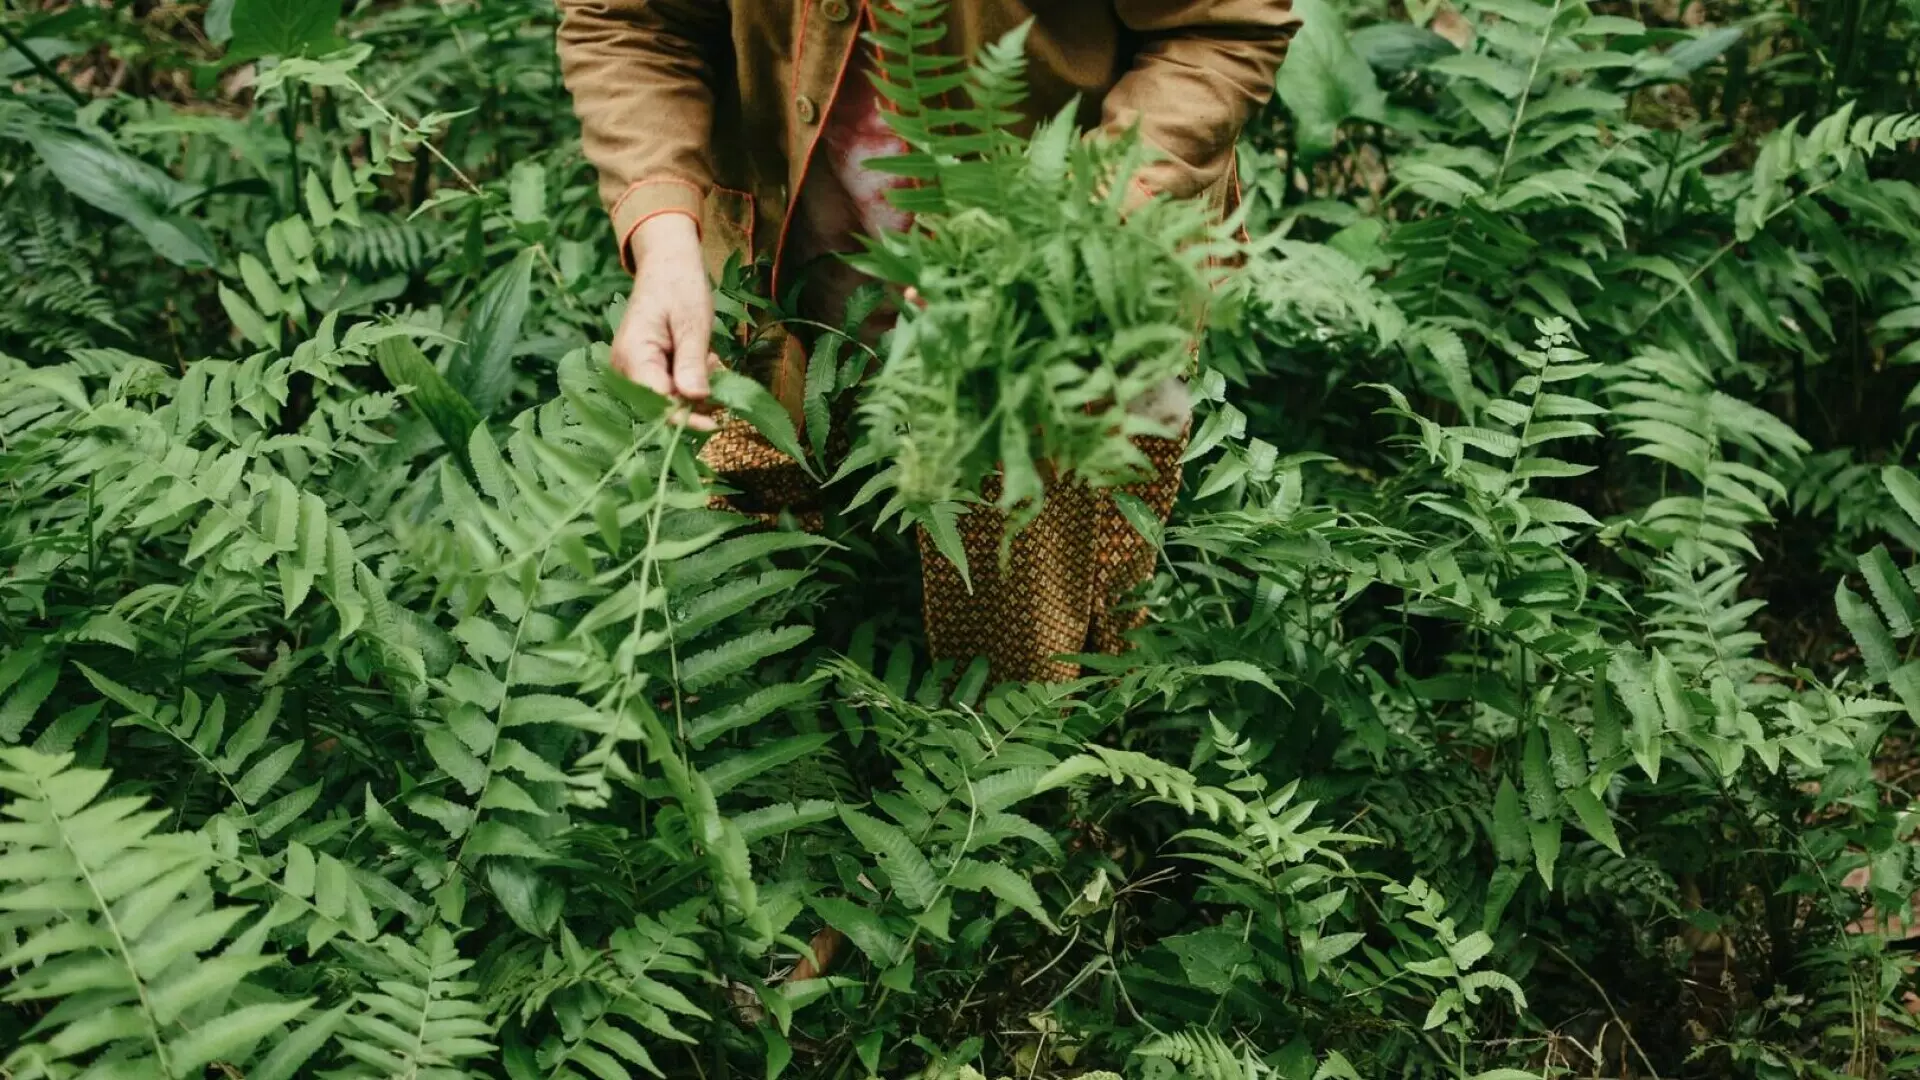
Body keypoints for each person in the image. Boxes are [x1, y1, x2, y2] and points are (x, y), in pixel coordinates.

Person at [557, 1, 1297, 683]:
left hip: (1058, 310)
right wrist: (662, 238)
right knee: (748, 627)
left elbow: (1219, 27)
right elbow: (629, 17)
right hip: (774, 282)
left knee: (1030, 655)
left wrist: (1066, 231)